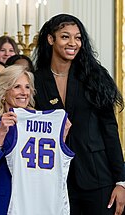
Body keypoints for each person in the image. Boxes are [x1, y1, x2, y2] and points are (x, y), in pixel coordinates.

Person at [33, 13, 125, 215]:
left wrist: (121, 181)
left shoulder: (94, 76)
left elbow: (110, 129)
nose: (73, 43)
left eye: (78, 37)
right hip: (55, 181)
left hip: (98, 179)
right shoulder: (36, 81)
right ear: (51, 39)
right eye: (65, 36)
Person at [0, 65, 72, 215]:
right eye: (17, 87)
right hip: (4, 201)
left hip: (35, 200)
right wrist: (0, 134)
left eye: (27, 87)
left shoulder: (41, 122)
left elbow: (52, 166)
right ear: (4, 91)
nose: (24, 92)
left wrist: (61, 138)